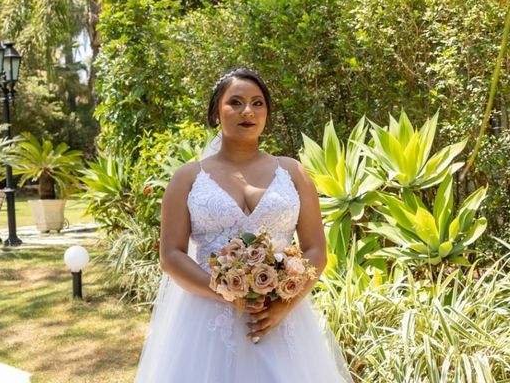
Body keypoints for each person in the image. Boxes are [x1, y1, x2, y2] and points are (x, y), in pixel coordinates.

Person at [134, 68, 353, 383]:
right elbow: (171, 255)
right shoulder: (187, 177)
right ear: (215, 112)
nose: (247, 111)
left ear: (267, 113)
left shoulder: (293, 173)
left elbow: (317, 249)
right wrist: (225, 293)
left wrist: (284, 305)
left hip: (279, 317)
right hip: (205, 320)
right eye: (235, 102)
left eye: (257, 103)